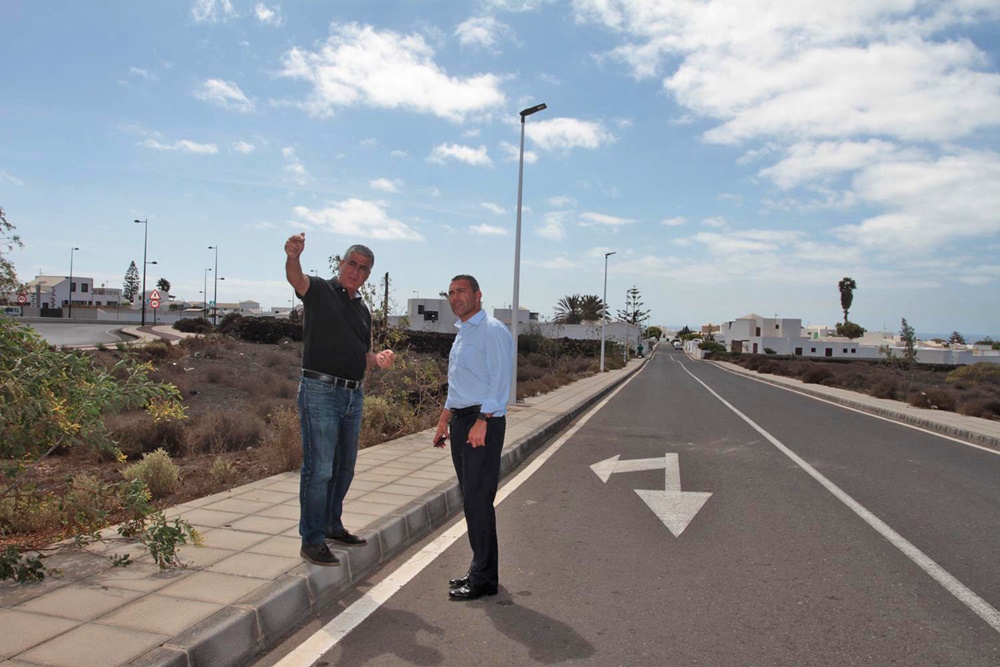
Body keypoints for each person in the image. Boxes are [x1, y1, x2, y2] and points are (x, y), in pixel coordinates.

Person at [285, 232, 395, 567]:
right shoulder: (319, 290)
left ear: (367, 275)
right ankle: (312, 540)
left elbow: (361, 354)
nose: (356, 271)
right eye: (352, 264)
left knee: (344, 468)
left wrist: (376, 359)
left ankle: (332, 525)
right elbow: (297, 279)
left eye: (363, 268)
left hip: (352, 395)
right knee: (319, 469)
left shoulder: (362, 310)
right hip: (320, 392)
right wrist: (293, 256)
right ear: (341, 263)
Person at [433, 274, 515, 600]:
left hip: (482, 422)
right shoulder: (464, 332)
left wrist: (483, 419)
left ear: (478, 295)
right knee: (471, 498)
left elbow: (500, 380)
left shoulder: (492, 330)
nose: (455, 297)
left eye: (462, 291)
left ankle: (484, 578)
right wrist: (444, 420)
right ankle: (479, 568)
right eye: (451, 292)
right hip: (462, 421)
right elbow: (459, 384)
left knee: (478, 499)